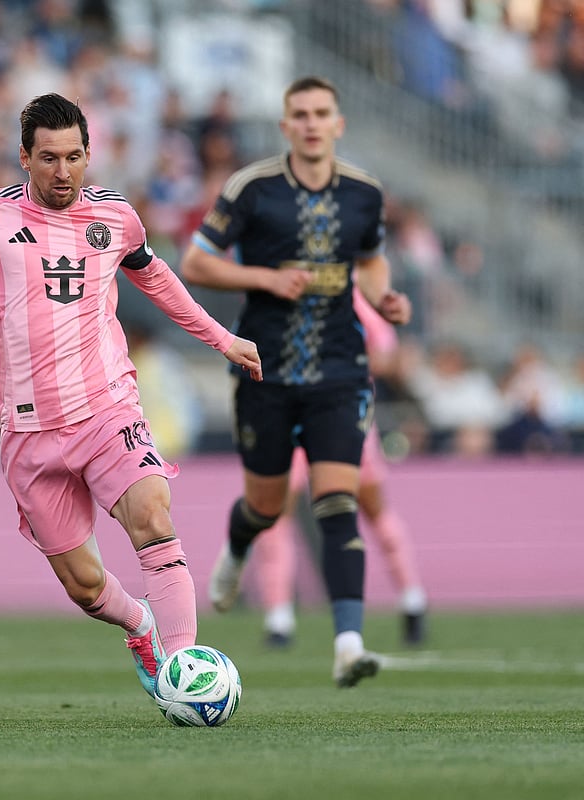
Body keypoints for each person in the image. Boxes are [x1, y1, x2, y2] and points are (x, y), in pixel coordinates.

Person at [0, 93, 262, 703]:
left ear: (88, 155)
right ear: (24, 158)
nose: (63, 172)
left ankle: (185, 672)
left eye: (74, 157)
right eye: (48, 158)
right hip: (29, 433)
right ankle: (140, 627)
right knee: (85, 587)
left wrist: (222, 338)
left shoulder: (117, 218)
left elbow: (153, 275)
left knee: (153, 517)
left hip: (108, 407)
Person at [179, 76, 412, 688]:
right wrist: (263, 278)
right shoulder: (252, 188)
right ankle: (236, 548)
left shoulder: (364, 193)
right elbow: (196, 262)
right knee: (265, 504)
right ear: (285, 127)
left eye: (321, 114)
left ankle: (348, 642)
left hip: (340, 369)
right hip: (266, 371)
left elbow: (368, 259)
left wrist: (383, 296)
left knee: (338, 502)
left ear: (339, 124)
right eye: (299, 114)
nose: (311, 123)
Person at [250, 289, 429, 649]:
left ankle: (412, 601)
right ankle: (279, 619)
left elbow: (387, 357)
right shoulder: (275, 295)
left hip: (345, 419)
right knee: (276, 514)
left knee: (373, 509)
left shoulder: (353, 300)